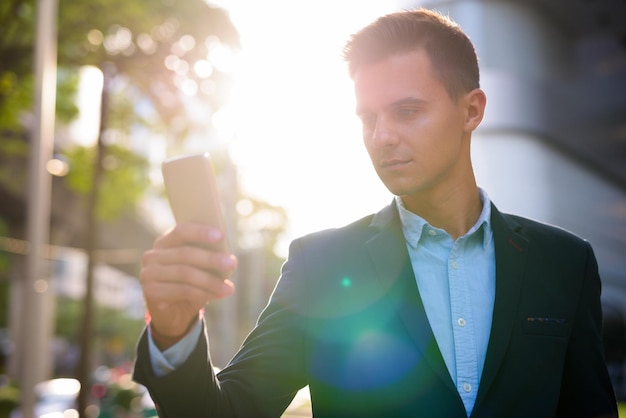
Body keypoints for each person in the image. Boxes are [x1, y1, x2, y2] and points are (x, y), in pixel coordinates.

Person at [133, 8, 618, 418]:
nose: (381, 136)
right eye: (369, 118)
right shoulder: (322, 264)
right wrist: (174, 332)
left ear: (472, 111)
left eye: (407, 112)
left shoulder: (565, 262)